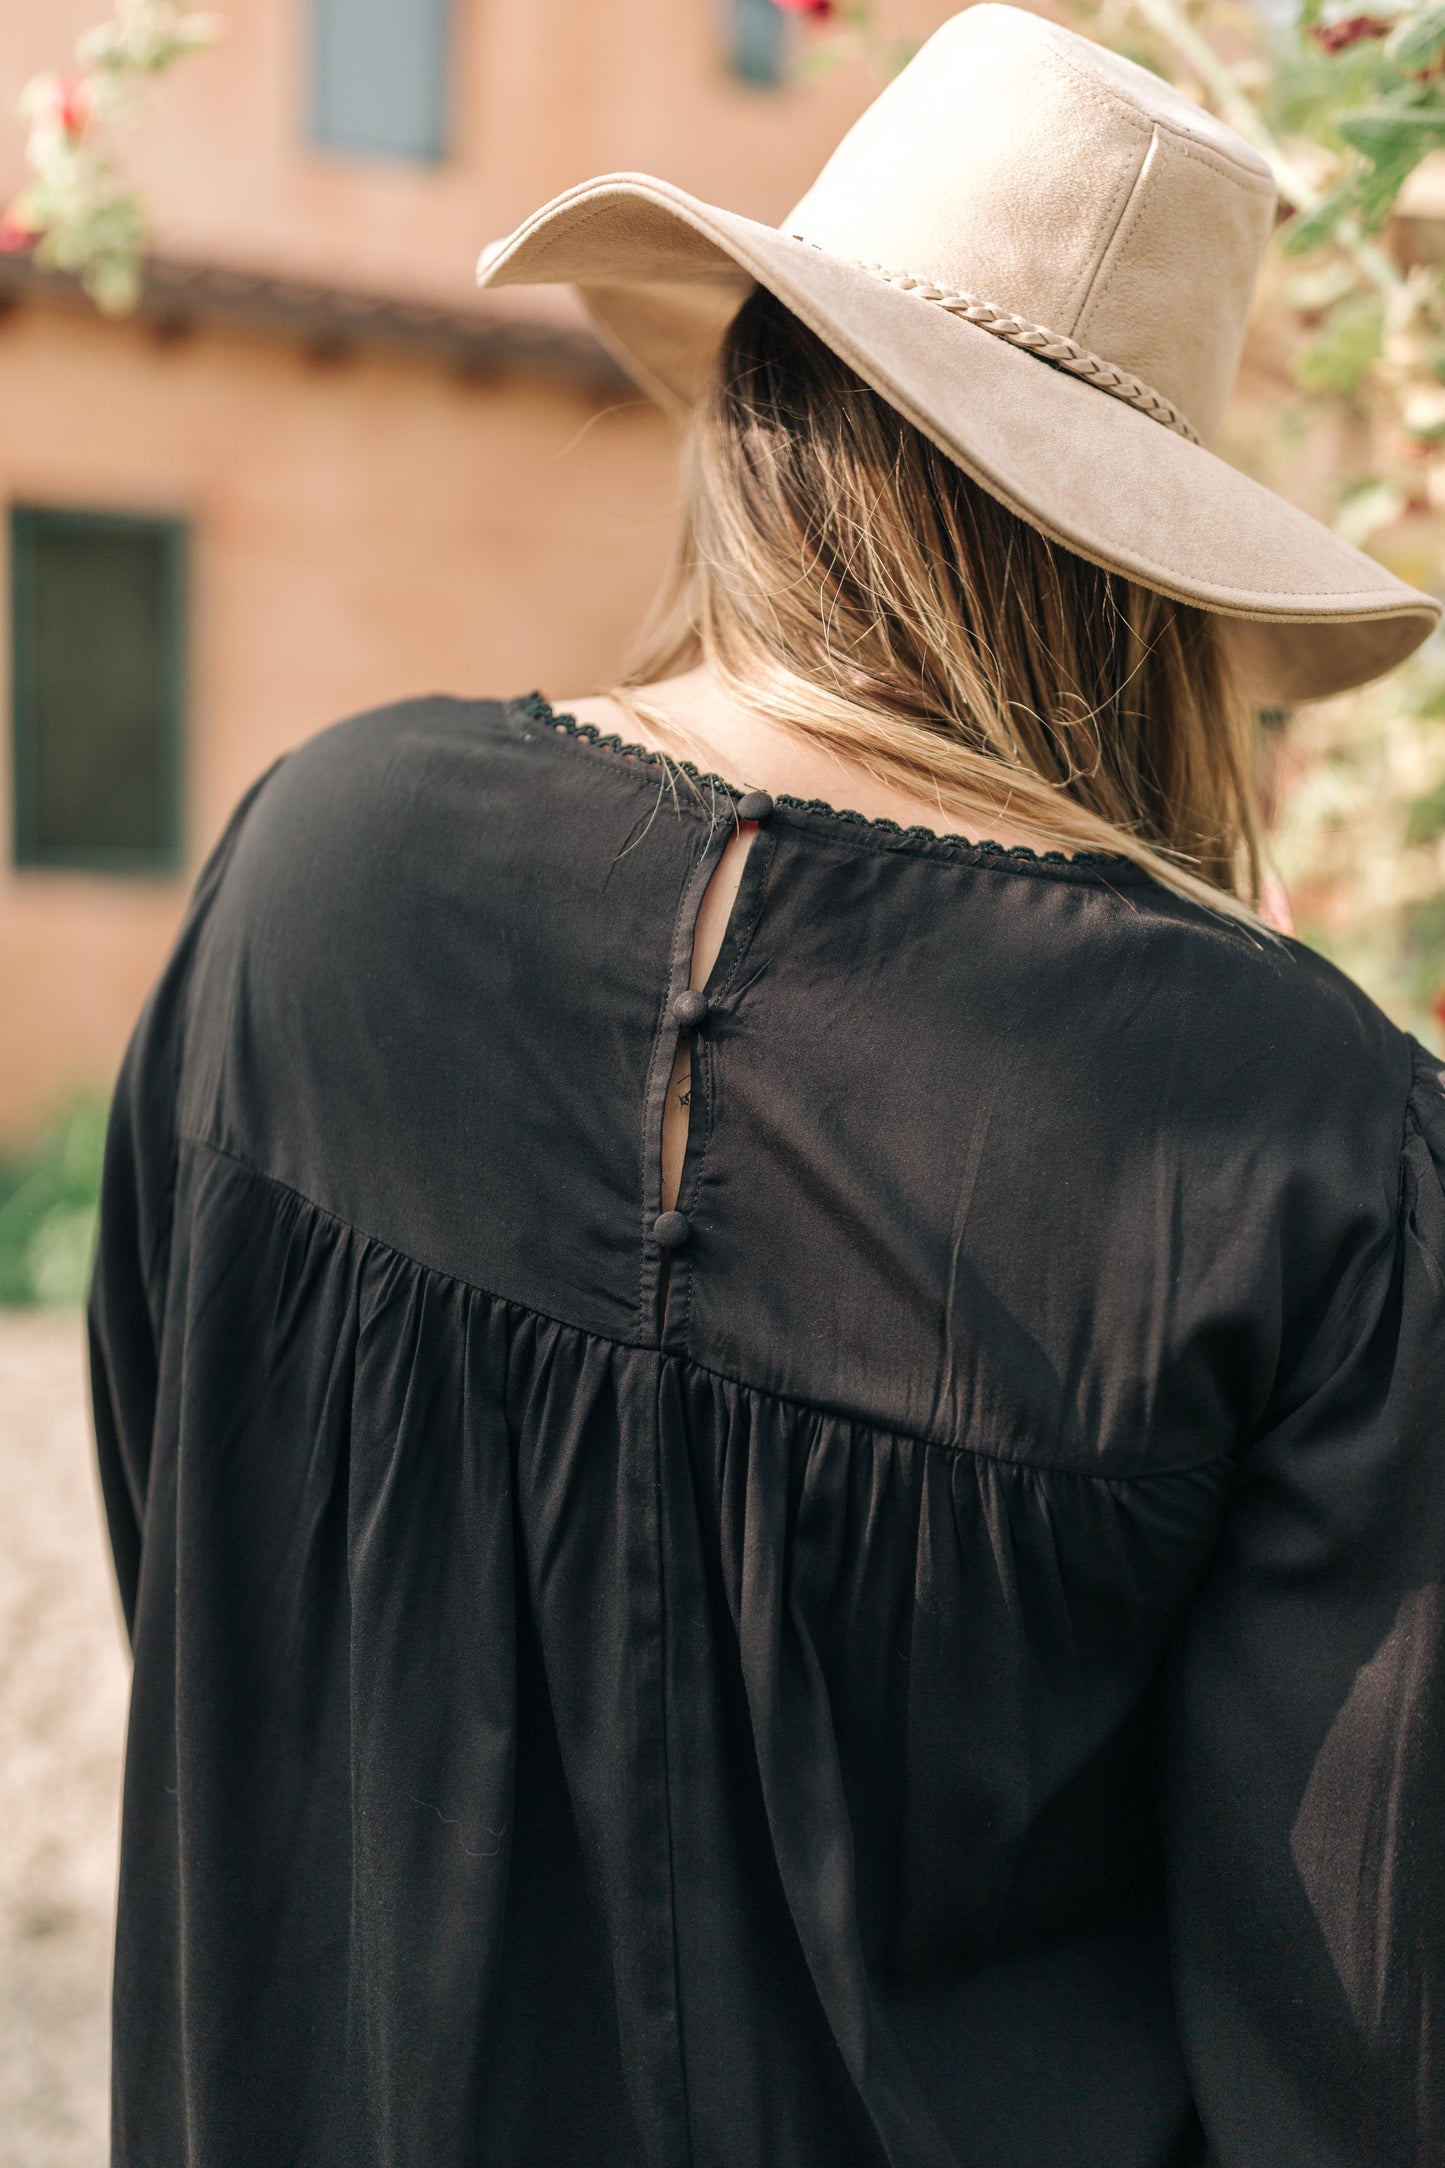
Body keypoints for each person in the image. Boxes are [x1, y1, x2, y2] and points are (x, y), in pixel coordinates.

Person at [89, 10, 1444, 2166]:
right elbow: (1354, 2025)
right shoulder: (1305, 1140)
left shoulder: (317, 861)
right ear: (1151, 591)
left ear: (752, 420)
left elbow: (203, 1573)